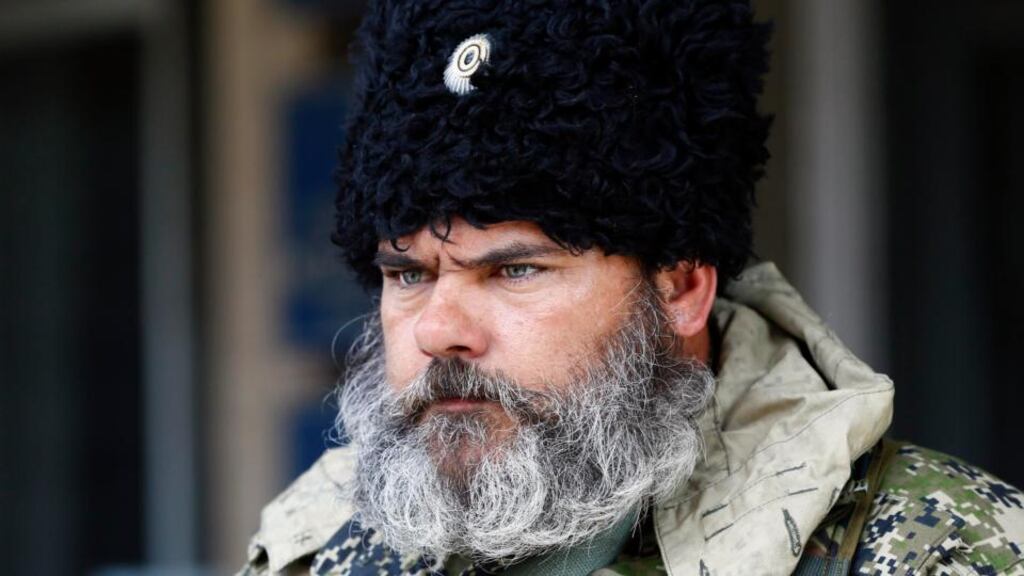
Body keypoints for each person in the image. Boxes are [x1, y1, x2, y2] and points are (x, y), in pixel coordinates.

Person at [240, 1, 1024, 574]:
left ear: (680, 285)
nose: (438, 328)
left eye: (515, 269)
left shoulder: (943, 550)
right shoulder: (319, 546)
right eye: (407, 274)